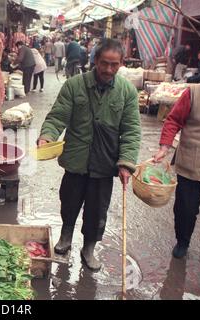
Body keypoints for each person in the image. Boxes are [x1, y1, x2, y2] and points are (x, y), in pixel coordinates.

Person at [37, 39, 141, 271]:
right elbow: (57, 116)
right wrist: (47, 136)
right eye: (104, 63)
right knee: (69, 203)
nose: (108, 69)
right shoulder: (74, 85)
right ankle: (66, 236)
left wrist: (126, 162)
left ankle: (89, 247)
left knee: (96, 212)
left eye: (114, 65)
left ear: (121, 64)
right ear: (95, 60)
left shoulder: (127, 92)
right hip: (76, 160)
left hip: (105, 163)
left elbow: (132, 131)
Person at [153, 81, 200, 259]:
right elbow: (173, 120)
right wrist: (164, 147)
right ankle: (182, 241)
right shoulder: (193, 93)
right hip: (190, 162)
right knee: (186, 208)